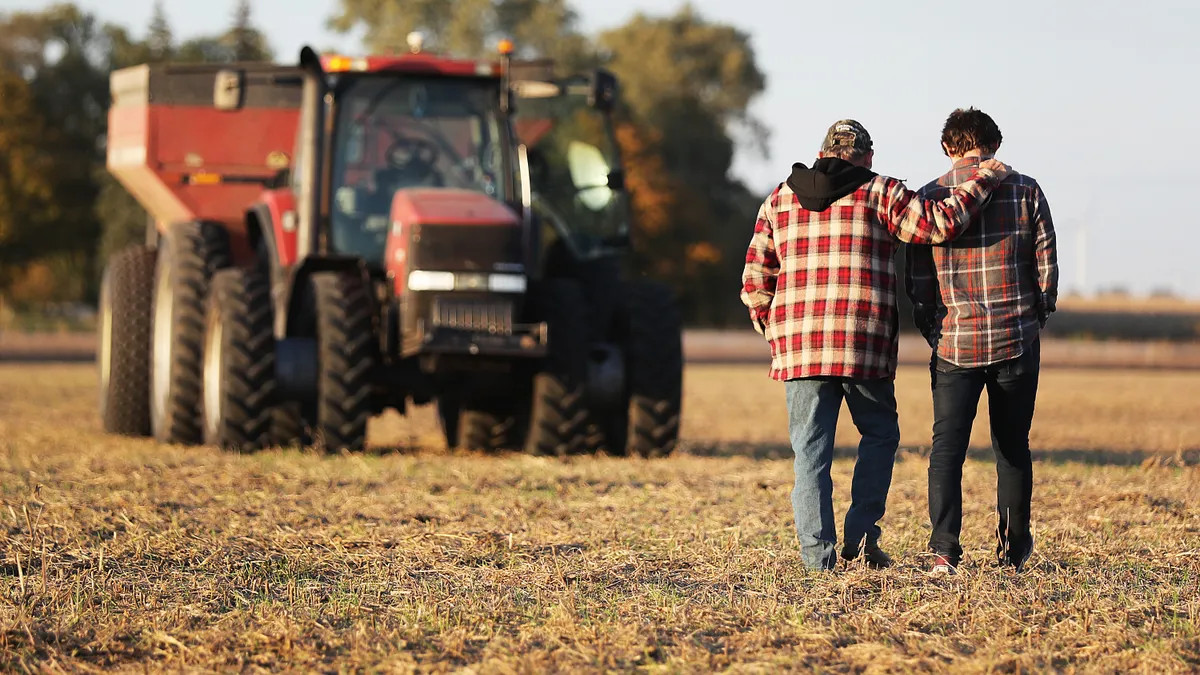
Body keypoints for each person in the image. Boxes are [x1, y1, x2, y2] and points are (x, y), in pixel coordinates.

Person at [741, 119, 1011, 572]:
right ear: (866, 156)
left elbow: (754, 281)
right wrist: (986, 176)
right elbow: (939, 224)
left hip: (799, 351)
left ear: (822, 152)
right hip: (862, 343)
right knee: (880, 436)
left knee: (810, 455)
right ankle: (862, 538)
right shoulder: (880, 191)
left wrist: (776, 332)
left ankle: (817, 559)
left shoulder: (779, 198)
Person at [905, 108, 1058, 575]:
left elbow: (917, 283)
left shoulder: (928, 197)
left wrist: (936, 332)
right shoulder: (1026, 189)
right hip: (1016, 340)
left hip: (954, 344)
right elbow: (1046, 270)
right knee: (1012, 447)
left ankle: (944, 551)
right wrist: (1033, 320)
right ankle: (1012, 551)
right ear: (994, 145)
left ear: (948, 148)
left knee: (946, 449)